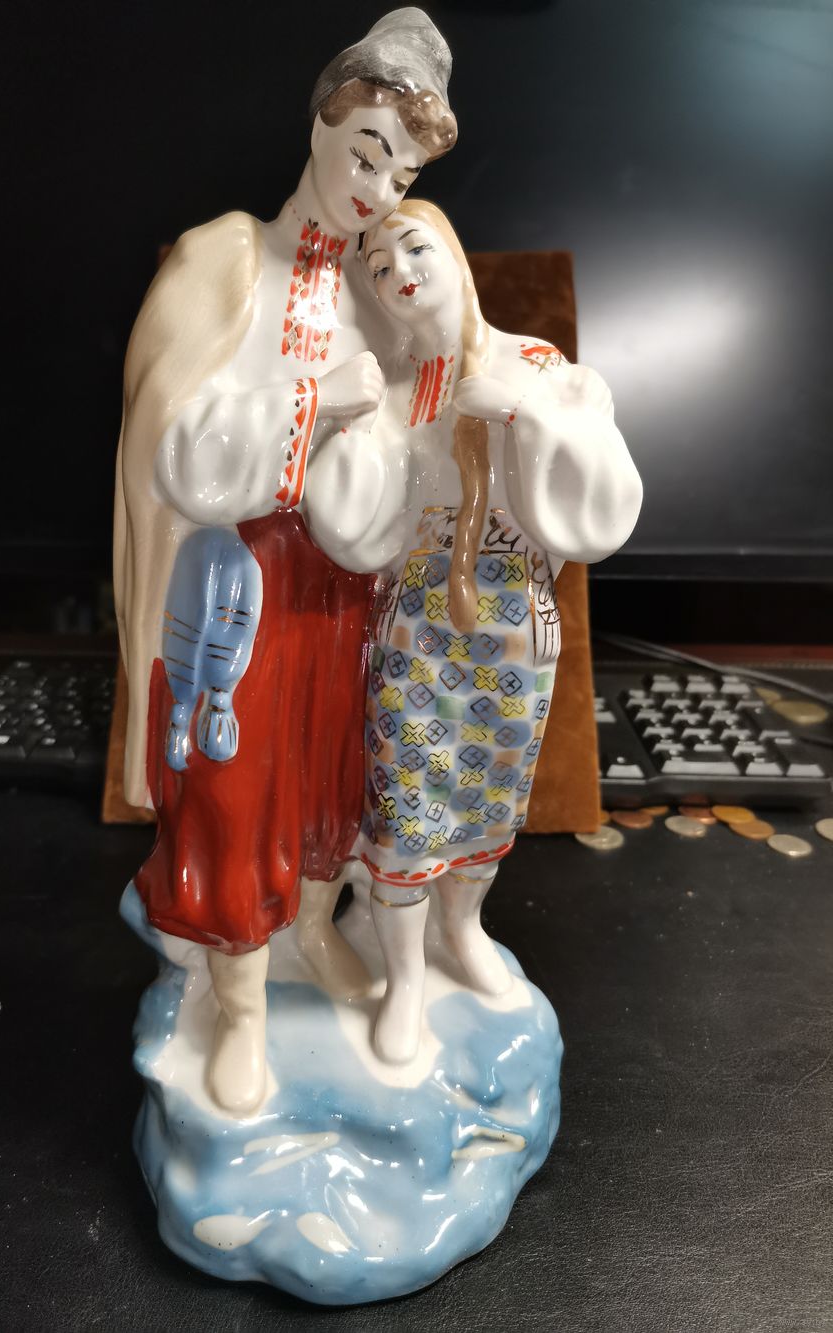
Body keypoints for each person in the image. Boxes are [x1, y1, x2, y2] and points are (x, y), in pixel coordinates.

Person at [114, 12, 458, 1115]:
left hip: (344, 577)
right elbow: (171, 444)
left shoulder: (379, 281)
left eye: (399, 173)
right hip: (236, 575)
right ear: (320, 126)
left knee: (329, 770)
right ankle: (241, 1002)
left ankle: (312, 927)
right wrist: (312, 404)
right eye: (366, 153)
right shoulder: (225, 257)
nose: (377, 188)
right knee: (233, 782)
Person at [304, 199, 643, 1063]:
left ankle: (464, 929)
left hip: (514, 621)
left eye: (414, 249)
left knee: (491, 792)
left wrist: (531, 414)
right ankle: (406, 977)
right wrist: (353, 429)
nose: (399, 273)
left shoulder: (537, 364)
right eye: (379, 266)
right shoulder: (392, 387)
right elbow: (354, 530)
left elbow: (603, 499)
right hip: (417, 626)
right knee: (407, 801)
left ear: (453, 255)